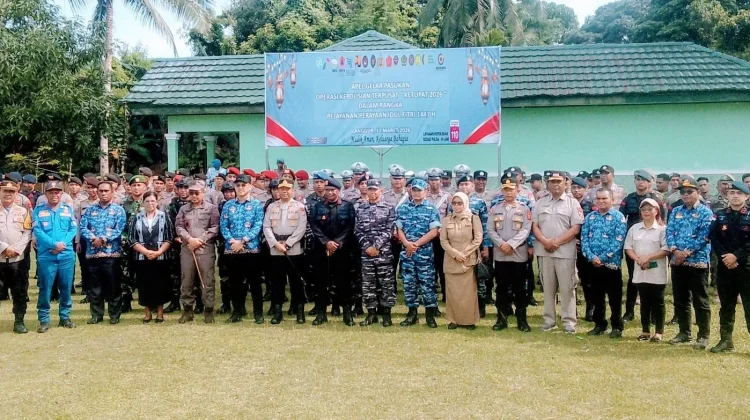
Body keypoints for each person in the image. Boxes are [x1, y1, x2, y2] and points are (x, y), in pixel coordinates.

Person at [532, 170, 584, 334]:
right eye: (552, 181)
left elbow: (575, 228)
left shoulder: (572, 203)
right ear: (547, 184)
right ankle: (549, 320)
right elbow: (534, 226)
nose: (555, 184)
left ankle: (569, 321)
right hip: (545, 251)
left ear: (565, 183)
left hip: (565, 252)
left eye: (558, 181)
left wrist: (557, 242)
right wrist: (545, 242)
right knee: (548, 288)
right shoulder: (540, 202)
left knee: (567, 288)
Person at [667, 175, 714, 349]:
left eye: (689, 191)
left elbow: (705, 236)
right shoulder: (676, 211)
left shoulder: (705, 212)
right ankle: (684, 332)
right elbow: (669, 232)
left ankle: (703, 335)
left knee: (700, 300)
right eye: (683, 192)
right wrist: (675, 250)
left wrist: (686, 252)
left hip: (697, 262)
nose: (685, 194)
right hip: (678, 262)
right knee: (680, 299)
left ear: (698, 192)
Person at [619, 169, 666, 322]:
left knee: (652, 280)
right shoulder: (628, 199)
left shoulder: (657, 199)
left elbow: (662, 220)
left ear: (650, 182)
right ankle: (629, 311)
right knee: (633, 278)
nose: (640, 182)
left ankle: (653, 314)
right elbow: (621, 220)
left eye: (644, 180)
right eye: (638, 179)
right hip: (634, 243)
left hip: (652, 244)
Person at [709, 181, 750, 353]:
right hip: (725, 267)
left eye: (739, 193)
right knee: (726, 305)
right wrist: (725, 257)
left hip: (746, 267)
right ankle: (726, 341)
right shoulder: (720, 215)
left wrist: (736, 256)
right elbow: (714, 238)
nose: (735, 196)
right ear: (727, 195)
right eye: (732, 193)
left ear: (746, 196)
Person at [32, 179, 77, 333]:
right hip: (47, 255)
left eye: (57, 192)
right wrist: (53, 244)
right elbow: (38, 231)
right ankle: (44, 320)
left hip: (66, 255)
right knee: (45, 288)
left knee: (66, 287)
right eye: (51, 192)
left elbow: (73, 229)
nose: (54, 195)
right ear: (46, 194)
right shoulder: (39, 210)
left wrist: (61, 245)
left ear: (61, 193)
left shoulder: (67, 209)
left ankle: (65, 317)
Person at [309, 178, 356, 326]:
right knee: (320, 282)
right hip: (322, 250)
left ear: (338, 191)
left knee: (344, 282)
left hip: (342, 250)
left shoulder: (348, 206)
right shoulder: (317, 206)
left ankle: (347, 314)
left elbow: (350, 227)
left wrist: (337, 243)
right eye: (328, 190)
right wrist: (326, 242)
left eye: (333, 190)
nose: (330, 193)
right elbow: (314, 226)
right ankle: (321, 313)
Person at [80, 178, 127, 325]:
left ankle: (114, 315)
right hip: (93, 253)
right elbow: (83, 227)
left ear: (112, 192)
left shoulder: (118, 210)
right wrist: (93, 238)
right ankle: (96, 315)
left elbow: (119, 229)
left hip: (111, 254)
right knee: (95, 287)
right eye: (101, 191)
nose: (103, 193)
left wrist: (104, 239)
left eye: (106, 191)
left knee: (113, 286)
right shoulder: (90, 210)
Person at [488, 176, 532, 332]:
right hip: (501, 255)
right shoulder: (495, 209)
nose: (508, 192)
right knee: (501, 288)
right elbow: (490, 229)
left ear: (517, 190)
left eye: (511, 189)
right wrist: (501, 244)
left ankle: (522, 320)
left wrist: (511, 244)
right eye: (505, 189)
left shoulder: (524, 209)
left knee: (520, 288)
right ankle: (501, 319)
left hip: (518, 254)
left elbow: (526, 229)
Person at [581, 189, 627, 338]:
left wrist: (602, 258)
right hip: (593, 264)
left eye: (604, 198)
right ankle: (599, 324)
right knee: (597, 297)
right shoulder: (590, 217)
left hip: (611, 265)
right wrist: (592, 257)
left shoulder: (618, 217)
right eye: (598, 198)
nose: (601, 201)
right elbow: (584, 240)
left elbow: (618, 241)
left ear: (612, 199)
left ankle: (617, 326)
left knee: (614, 298)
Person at [396, 179, 441, 328]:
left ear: (426, 191)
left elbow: (434, 231)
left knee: (427, 284)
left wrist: (415, 244)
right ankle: (412, 314)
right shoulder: (402, 208)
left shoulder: (431, 209)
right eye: (414, 190)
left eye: (419, 190)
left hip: (424, 254)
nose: (416, 193)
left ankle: (430, 315)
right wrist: (407, 244)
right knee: (409, 284)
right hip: (407, 253)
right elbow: (399, 229)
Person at [220, 174, 265, 324]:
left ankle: (258, 313)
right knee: (235, 283)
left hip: (251, 249)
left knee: (255, 283)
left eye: (243, 185)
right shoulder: (228, 205)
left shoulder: (257, 205)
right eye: (238, 185)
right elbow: (223, 226)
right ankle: (237, 312)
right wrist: (233, 241)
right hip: (232, 249)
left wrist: (244, 240)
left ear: (250, 186)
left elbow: (258, 225)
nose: (240, 188)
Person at [624, 198, 670, 342]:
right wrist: (638, 259)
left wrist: (648, 258)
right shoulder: (634, 228)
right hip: (640, 269)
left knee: (658, 301)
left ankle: (659, 332)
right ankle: (645, 331)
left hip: (657, 270)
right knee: (644, 301)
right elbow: (628, 247)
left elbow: (666, 249)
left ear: (656, 211)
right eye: (643, 210)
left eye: (650, 209)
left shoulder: (662, 230)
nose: (646, 212)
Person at [263, 179, 308, 324]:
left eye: (287, 189)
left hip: (293, 249)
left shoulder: (299, 207)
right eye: (281, 189)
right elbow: (266, 227)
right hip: (276, 249)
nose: (284, 191)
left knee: (296, 282)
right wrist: (275, 244)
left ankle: (299, 311)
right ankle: (277, 312)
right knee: (277, 282)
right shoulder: (271, 207)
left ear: (292, 190)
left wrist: (288, 244)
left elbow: (301, 228)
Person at [175, 181, 220, 324]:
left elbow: (214, 228)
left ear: (203, 193)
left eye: (197, 193)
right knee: (187, 279)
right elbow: (179, 227)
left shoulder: (211, 208)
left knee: (207, 279)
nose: (194, 196)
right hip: (188, 248)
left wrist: (200, 240)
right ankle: (187, 310)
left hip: (204, 248)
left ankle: (208, 310)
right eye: (191, 193)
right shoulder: (183, 209)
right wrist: (189, 239)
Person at [354, 179, 396, 327]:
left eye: (375, 189)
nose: (372, 192)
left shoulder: (389, 208)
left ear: (381, 190)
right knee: (368, 284)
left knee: (386, 284)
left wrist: (376, 246)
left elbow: (390, 229)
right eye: (370, 189)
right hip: (366, 253)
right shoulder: (360, 208)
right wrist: (367, 246)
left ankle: (386, 314)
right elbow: (357, 230)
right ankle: (371, 313)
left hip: (383, 253)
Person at [129, 191, 174, 323]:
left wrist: (159, 252)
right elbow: (132, 238)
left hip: (161, 257)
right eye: (147, 201)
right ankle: (147, 313)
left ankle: (160, 313)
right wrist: (145, 252)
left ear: (157, 202)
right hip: (142, 257)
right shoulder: (137, 217)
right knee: (144, 284)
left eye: (153, 201)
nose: (150, 203)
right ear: (143, 203)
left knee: (160, 284)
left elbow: (169, 237)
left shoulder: (164, 216)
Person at [440, 192, 483, 330]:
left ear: (466, 203)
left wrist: (464, 253)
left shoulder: (473, 218)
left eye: (460, 203)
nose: (457, 206)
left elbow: (478, 239)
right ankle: (453, 320)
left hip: (468, 261)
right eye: (454, 203)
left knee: (468, 294)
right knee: (452, 293)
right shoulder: (446, 220)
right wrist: (455, 254)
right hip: (451, 260)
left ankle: (469, 321)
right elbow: (443, 240)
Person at [0, 179, 32, 333]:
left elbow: (27, 233)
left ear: (16, 193)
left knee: (19, 292)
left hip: (17, 260)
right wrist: (4, 248)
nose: (8, 194)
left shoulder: (23, 211)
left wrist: (16, 249)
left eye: (11, 191)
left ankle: (19, 321)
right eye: (5, 191)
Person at [571, 177, 595, 321]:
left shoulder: (591, 207)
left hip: (585, 249)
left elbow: (594, 228)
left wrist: (584, 243)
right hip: (568, 246)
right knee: (570, 280)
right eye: (574, 188)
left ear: (585, 190)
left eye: (579, 188)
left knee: (587, 281)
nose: (576, 191)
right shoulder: (567, 205)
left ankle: (590, 310)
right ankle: (571, 310)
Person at [165, 179, 190, 313]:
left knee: (193, 274)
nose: (183, 191)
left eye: (186, 188)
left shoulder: (195, 203)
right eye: (181, 188)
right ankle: (174, 302)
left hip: (191, 242)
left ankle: (197, 303)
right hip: (176, 243)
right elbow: (168, 224)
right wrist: (174, 237)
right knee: (174, 274)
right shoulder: (172, 205)